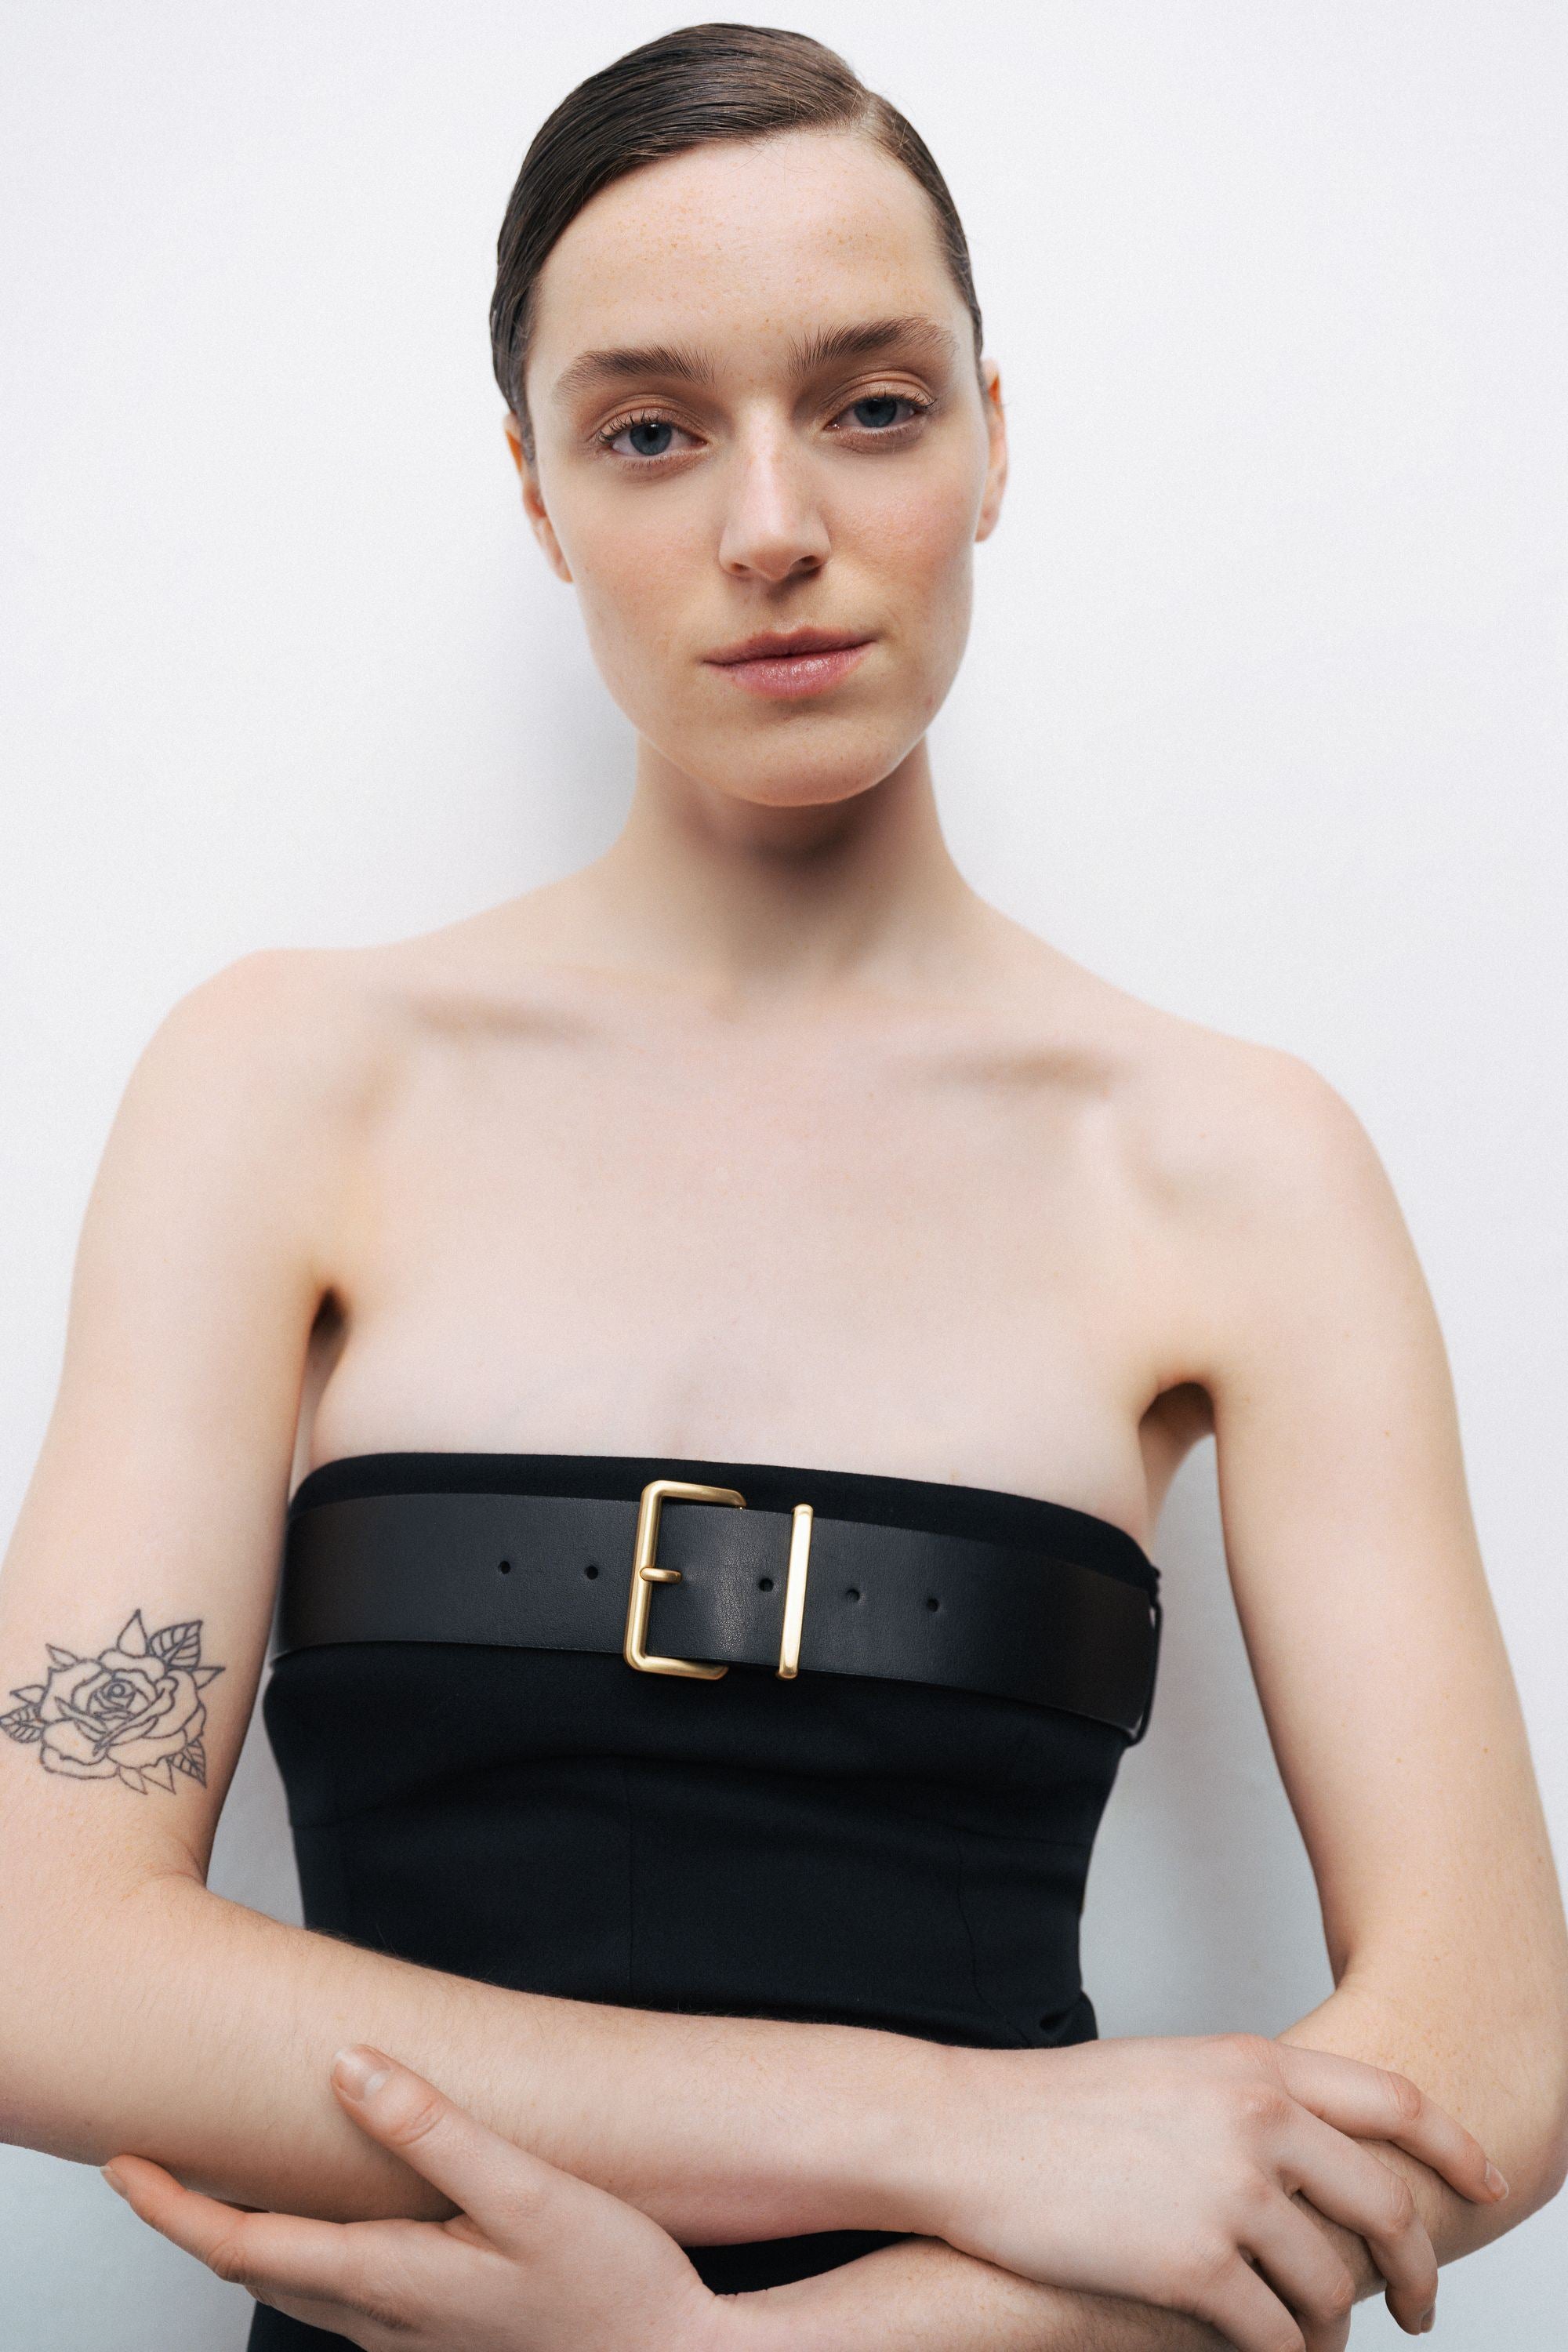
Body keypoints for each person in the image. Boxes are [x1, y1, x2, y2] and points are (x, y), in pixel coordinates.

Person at [2, 21, 1564, 2352]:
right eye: (650, 430)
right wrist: (946, 2126)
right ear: (538, 493)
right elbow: (39, 1954)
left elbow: (1487, 2052)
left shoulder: (1232, 1160)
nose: (769, 526)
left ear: (991, 439)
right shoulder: (288, 1086)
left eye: (871, 405)